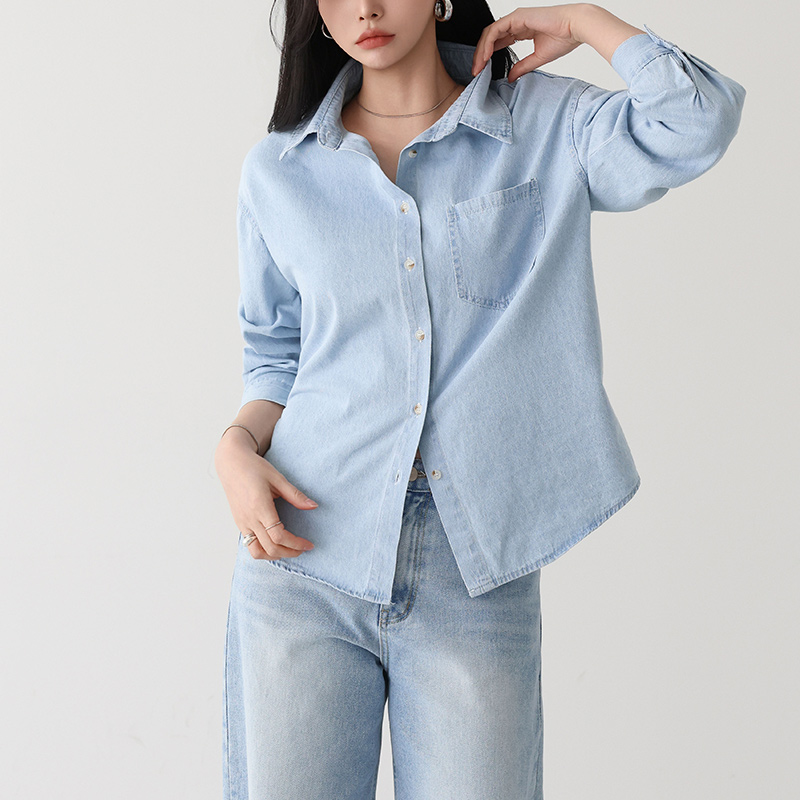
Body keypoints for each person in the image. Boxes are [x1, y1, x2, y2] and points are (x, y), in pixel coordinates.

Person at [215, 2, 746, 797]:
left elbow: (696, 122)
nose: (365, 8)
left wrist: (585, 22)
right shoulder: (280, 169)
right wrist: (235, 447)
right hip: (303, 556)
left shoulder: (547, 125)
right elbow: (276, 356)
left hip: (475, 566)